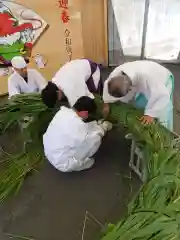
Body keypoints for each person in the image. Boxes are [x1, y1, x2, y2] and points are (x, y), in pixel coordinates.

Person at [43, 96, 112, 172]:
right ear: (85, 113)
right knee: (94, 141)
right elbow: (90, 138)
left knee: (83, 135)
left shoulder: (63, 113)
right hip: (63, 162)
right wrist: (103, 128)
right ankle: (81, 163)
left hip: (50, 152)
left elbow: (82, 128)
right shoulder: (77, 125)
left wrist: (95, 125)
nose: (88, 117)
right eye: (88, 115)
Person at [103, 60, 174, 131]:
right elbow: (108, 85)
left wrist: (151, 114)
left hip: (161, 79)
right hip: (145, 80)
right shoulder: (117, 73)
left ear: (130, 88)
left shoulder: (149, 78)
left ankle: (163, 133)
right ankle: (141, 130)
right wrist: (106, 103)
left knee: (162, 114)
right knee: (141, 105)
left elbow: (162, 95)